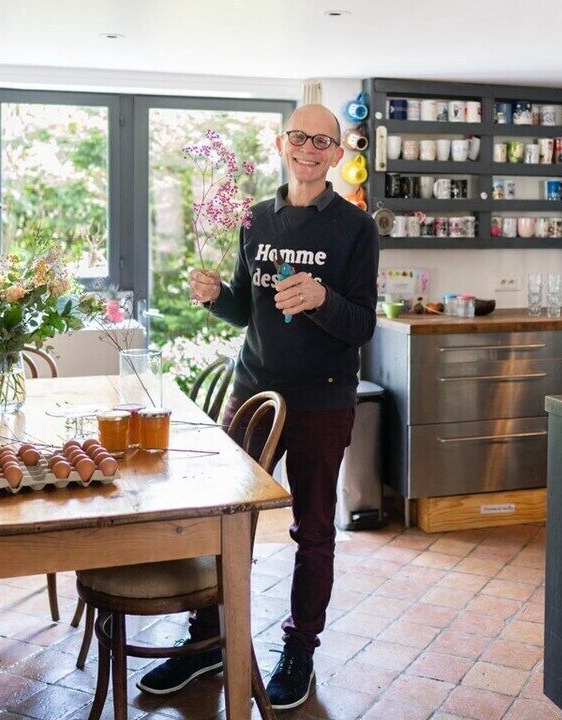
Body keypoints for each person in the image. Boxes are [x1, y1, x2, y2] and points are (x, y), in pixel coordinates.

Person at [138, 103, 379, 710]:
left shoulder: (357, 229)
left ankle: (299, 649)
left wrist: (323, 298)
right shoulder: (256, 219)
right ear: (281, 143)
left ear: (336, 154)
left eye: (322, 141)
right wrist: (218, 296)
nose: (308, 148)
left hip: (323, 400)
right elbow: (248, 310)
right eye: (299, 137)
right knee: (224, 520)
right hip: (253, 394)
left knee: (315, 530)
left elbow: (362, 326)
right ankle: (208, 640)